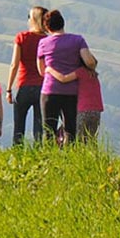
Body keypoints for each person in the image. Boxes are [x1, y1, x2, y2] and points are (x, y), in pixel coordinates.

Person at [36, 9, 96, 145]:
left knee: (49, 129)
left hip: (50, 90)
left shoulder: (43, 43)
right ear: (63, 23)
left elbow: (41, 70)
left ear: (47, 27)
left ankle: (48, 158)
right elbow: (90, 62)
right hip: (71, 91)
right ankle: (69, 156)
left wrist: (52, 70)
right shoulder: (78, 40)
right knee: (70, 129)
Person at [5, 6, 48, 146]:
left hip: (23, 85)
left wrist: (9, 89)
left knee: (18, 127)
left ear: (33, 19)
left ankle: (17, 156)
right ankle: (38, 157)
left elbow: (14, 64)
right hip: (42, 87)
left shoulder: (22, 37)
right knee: (39, 128)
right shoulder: (47, 40)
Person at [74, 56, 104, 145]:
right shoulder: (94, 75)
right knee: (91, 139)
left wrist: (50, 70)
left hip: (83, 110)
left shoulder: (80, 72)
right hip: (96, 111)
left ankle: (78, 156)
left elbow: (64, 78)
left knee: (78, 139)